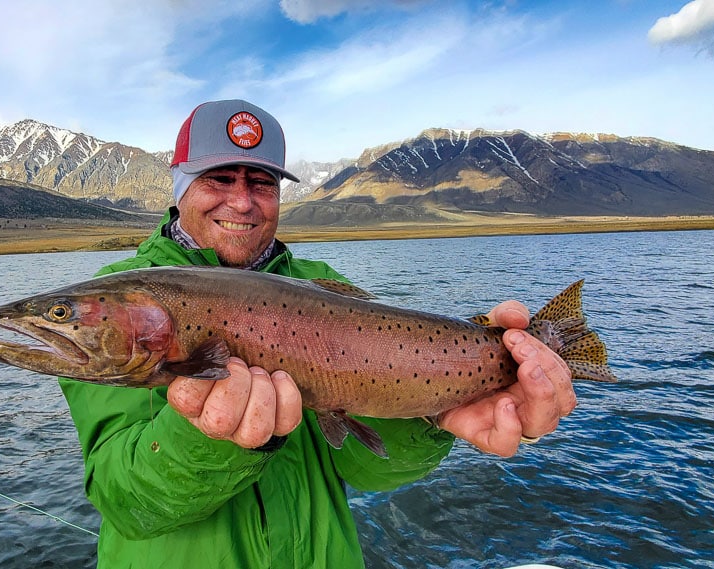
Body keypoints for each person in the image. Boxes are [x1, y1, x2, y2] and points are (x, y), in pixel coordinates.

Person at [57, 99, 578, 568]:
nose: (242, 202)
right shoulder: (116, 298)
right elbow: (126, 502)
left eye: (260, 183)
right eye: (219, 178)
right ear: (180, 187)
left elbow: (367, 468)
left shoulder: (323, 286)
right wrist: (212, 438)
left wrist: (435, 415)